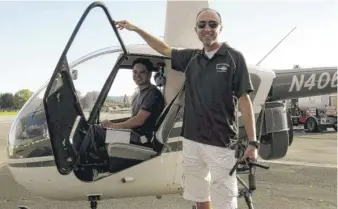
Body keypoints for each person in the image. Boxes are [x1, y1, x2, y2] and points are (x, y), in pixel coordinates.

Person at [114, 7, 259, 209]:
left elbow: (244, 100)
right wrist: (135, 28)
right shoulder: (191, 58)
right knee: (199, 196)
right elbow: (163, 49)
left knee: (225, 201)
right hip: (191, 140)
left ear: (220, 27)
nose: (207, 28)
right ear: (196, 30)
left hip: (221, 143)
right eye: (202, 25)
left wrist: (253, 142)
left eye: (212, 24)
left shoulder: (233, 58)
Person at [101, 58, 165, 147]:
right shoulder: (137, 92)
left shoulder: (153, 93)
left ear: (149, 74)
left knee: (98, 133)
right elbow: (133, 118)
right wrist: (112, 126)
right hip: (133, 133)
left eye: (142, 72)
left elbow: (138, 121)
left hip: (143, 139)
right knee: (98, 129)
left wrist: (112, 125)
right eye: (135, 72)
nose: (137, 76)